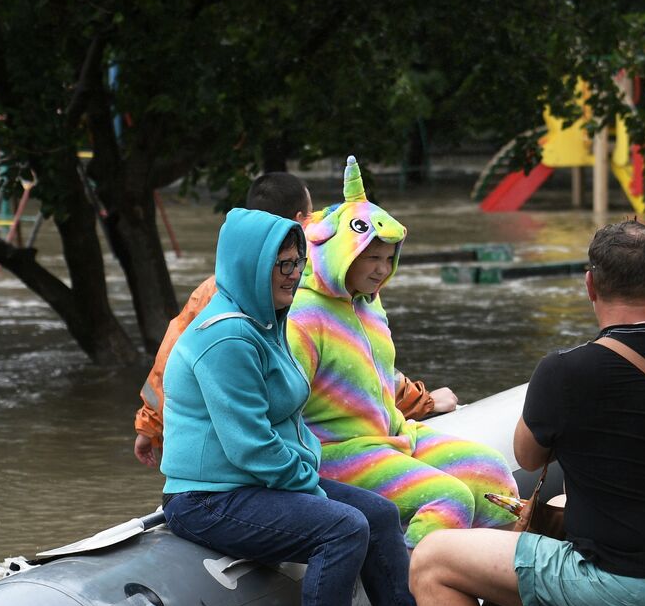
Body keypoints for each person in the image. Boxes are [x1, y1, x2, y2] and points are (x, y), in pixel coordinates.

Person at [410, 219, 645, 606]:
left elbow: (527, 456)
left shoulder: (566, 369)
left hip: (617, 587)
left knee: (432, 559)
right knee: (564, 498)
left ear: (590, 285)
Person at [160, 207, 424, 606]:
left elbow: (288, 420)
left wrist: (310, 474)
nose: (293, 274)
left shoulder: (267, 322)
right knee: (343, 528)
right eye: (282, 264)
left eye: (297, 263)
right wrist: (311, 486)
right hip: (207, 499)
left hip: (254, 484)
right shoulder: (226, 336)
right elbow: (251, 446)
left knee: (379, 514)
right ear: (251, 265)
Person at [133, 172, 454, 469]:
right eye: (312, 214)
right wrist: (423, 402)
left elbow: (173, 355)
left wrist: (150, 424)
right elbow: (358, 368)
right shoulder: (318, 282)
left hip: (224, 450)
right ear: (302, 220)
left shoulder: (220, 282)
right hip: (298, 453)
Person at [286, 156, 519, 547]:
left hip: (394, 434)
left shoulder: (369, 304)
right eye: (372, 257)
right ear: (342, 253)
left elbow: (378, 377)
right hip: (336, 453)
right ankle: (418, 594)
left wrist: (422, 402)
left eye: (388, 258)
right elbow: (282, 403)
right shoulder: (304, 316)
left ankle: (490, 592)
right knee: (449, 497)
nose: (381, 269)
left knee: (492, 472)